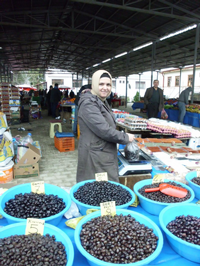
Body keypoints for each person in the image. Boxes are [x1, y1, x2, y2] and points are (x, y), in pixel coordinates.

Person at [76, 70, 135, 183]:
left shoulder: (100, 100)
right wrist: (125, 137)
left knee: (103, 190)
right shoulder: (89, 103)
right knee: (97, 189)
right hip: (95, 155)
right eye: (101, 84)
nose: (105, 88)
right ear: (94, 84)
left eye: (108, 84)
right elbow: (103, 130)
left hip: (101, 151)